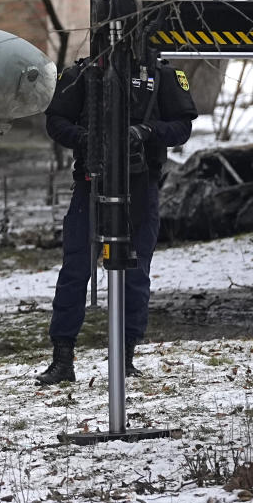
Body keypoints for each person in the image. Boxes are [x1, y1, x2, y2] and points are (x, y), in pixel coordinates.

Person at [36, 49, 198, 385]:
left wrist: (147, 132)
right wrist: (86, 139)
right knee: (76, 269)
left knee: (135, 271)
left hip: (141, 185)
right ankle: (62, 358)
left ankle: (125, 357)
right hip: (91, 183)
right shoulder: (84, 75)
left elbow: (182, 126)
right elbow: (56, 121)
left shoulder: (159, 74)